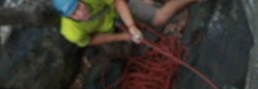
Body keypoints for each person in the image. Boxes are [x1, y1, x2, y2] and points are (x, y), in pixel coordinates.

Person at [52, 0, 199, 48]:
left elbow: (117, 1)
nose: (81, 13)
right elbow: (90, 39)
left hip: (119, 8)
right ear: (68, 17)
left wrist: (131, 26)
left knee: (160, 17)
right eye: (74, 13)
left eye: (79, 6)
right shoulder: (70, 32)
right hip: (112, 24)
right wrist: (124, 37)